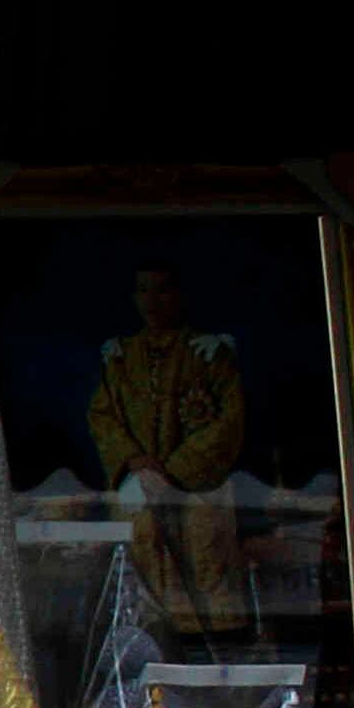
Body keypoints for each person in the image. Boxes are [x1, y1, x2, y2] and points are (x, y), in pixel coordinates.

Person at [84, 262, 253, 637]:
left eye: (162, 290)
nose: (152, 301)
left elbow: (228, 421)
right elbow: (103, 415)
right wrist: (134, 460)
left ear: (178, 295)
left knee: (204, 564)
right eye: (144, 290)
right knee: (144, 557)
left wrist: (173, 470)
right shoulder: (120, 358)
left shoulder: (209, 354)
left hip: (198, 489)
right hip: (137, 485)